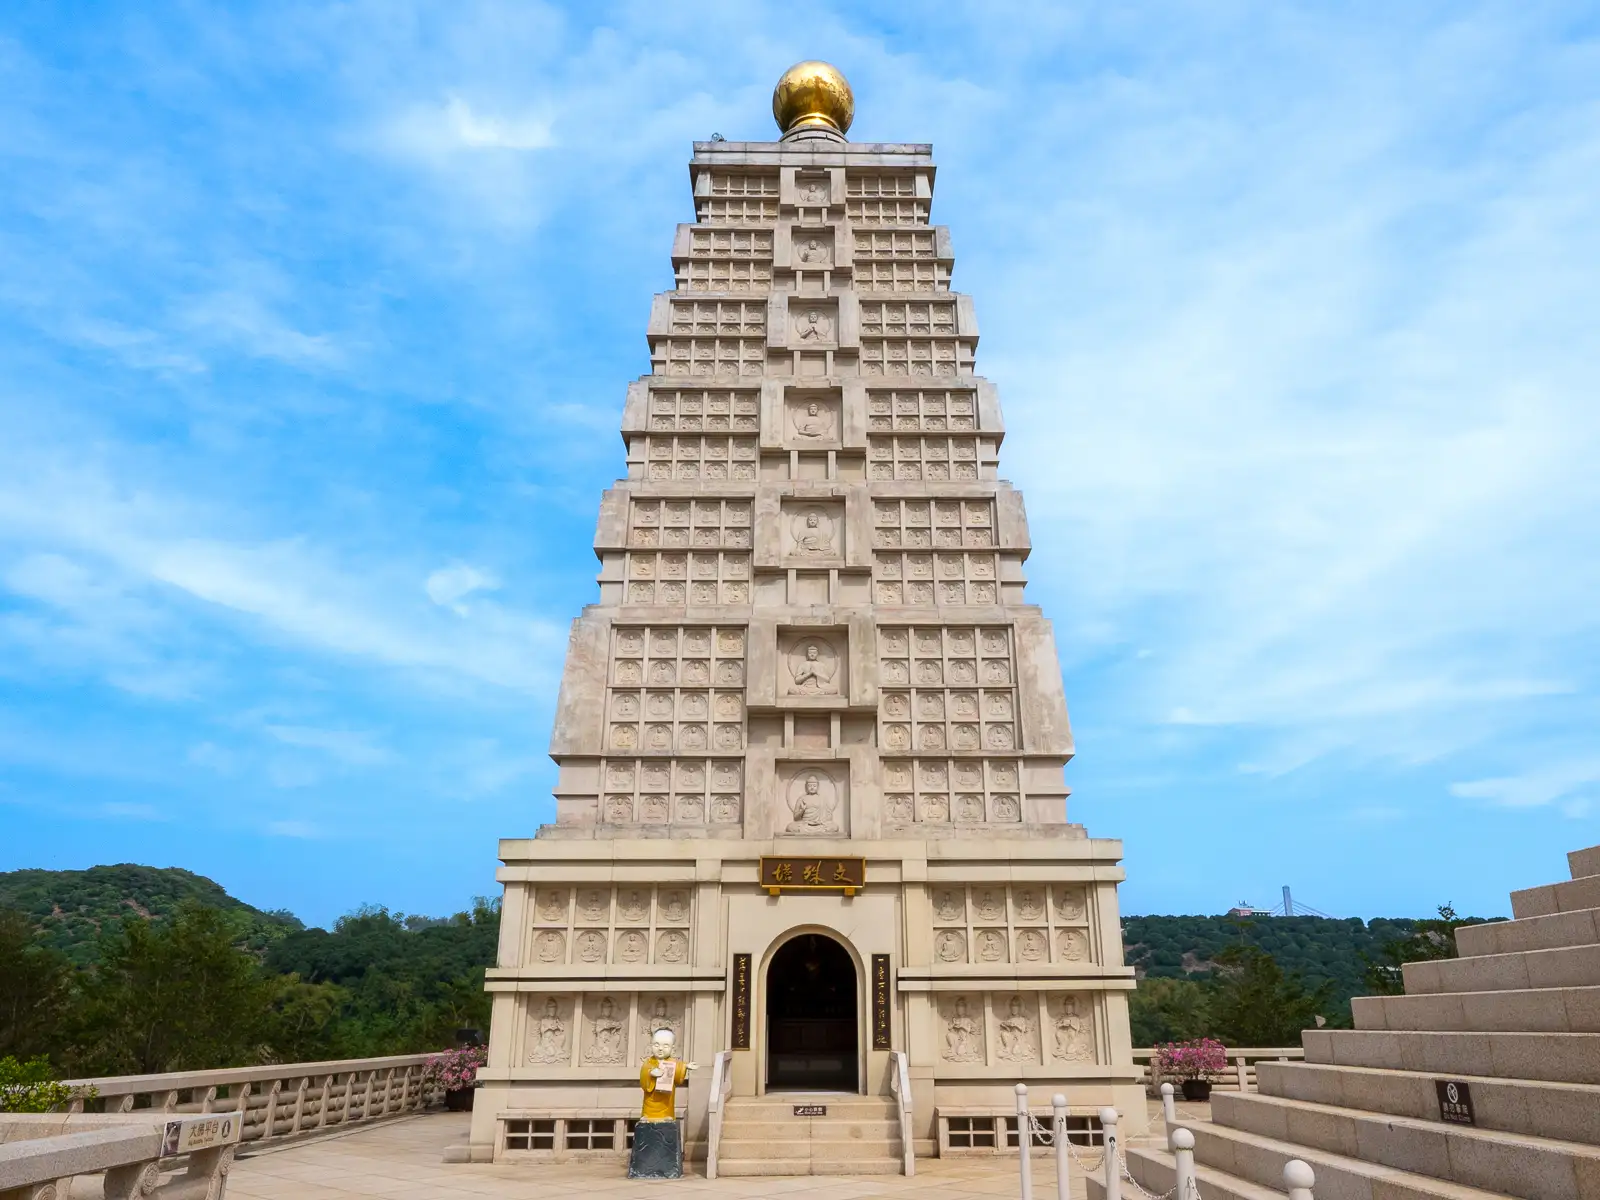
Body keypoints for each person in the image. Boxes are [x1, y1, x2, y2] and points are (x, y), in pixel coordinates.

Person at [629, 1029, 698, 1178]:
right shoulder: (649, 1063)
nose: (660, 1049)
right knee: (649, 1105)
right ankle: (647, 1116)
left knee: (667, 1108)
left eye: (665, 1046)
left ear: (673, 1048)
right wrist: (651, 1073)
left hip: (666, 1099)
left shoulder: (673, 1063)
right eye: (657, 1044)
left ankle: (667, 1115)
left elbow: (679, 1075)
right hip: (651, 1098)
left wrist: (685, 1067)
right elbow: (644, 1075)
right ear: (651, 1045)